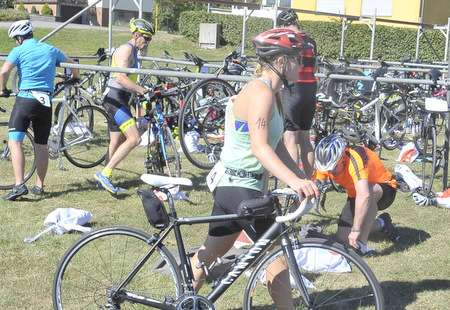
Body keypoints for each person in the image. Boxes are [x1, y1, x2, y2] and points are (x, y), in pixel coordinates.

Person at [190, 28, 319, 308]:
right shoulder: (260, 93)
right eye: (298, 58)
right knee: (275, 251)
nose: (303, 64)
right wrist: (296, 183)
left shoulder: (275, 95)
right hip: (238, 185)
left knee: (212, 250)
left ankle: (183, 299)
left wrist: (299, 177)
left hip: (240, 185)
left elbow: (279, 146)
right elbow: (260, 148)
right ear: (282, 62)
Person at [0, 20, 80, 201]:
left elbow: (3, 72)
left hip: (26, 99)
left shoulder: (18, 50)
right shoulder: (50, 49)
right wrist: (76, 78)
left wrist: (3, 89)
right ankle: (39, 186)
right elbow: (72, 63)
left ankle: (19, 184)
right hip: (45, 102)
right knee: (41, 145)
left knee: (15, 142)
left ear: (19, 38)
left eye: (15, 39)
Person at [94, 18, 156, 194]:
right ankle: (105, 174)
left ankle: (105, 178)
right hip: (115, 98)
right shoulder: (126, 50)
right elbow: (120, 77)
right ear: (136, 34)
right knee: (134, 138)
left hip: (119, 98)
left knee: (117, 140)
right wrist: (142, 91)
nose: (148, 42)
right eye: (146, 38)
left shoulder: (134, 50)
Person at [314, 134, 401, 254]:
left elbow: (365, 196)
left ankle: (361, 246)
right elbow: (315, 183)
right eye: (326, 169)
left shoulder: (356, 158)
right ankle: (382, 223)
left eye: (333, 167)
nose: (329, 172)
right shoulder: (325, 162)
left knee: (368, 192)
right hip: (357, 193)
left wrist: (355, 230)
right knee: (343, 237)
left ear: (342, 158)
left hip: (384, 189)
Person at [277, 9, 318, 178]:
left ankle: (294, 181)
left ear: (282, 25)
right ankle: (309, 179)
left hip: (293, 90)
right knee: (305, 139)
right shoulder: (311, 41)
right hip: (310, 90)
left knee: (290, 138)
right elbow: (314, 67)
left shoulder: (288, 40)